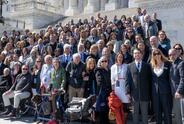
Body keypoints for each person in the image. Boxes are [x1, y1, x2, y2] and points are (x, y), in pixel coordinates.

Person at [125, 48, 152, 124]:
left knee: (145, 114)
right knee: (135, 113)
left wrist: (150, 92)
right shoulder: (129, 66)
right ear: (133, 55)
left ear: (141, 54)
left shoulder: (147, 66)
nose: (137, 55)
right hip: (134, 94)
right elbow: (127, 80)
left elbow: (150, 80)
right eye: (135, 53)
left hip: (145, 94)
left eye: (138, 53)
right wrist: (127, 92)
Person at [150, 48, 172, 124]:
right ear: (153, 56)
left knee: (167, 112)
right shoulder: (151, 65)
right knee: (157, 112)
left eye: (158, 53)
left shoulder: (167, 63)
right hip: (155, 93)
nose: (157, 55)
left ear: (161, 54)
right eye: (155, 54)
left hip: (165, 92)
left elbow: (171, 77)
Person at [111, 52, 130, 123]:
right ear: (116, 58)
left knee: (125, 104)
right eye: (119, 57)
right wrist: (112, 89)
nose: (120, 58)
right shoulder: (113, 67)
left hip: (124, 85)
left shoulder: (126, 66)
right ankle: (118, 120)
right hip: (116, 86)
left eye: (121, 57)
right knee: (117, 104)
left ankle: (124, 120)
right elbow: (112, 79)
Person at [169, 48, 184, 124]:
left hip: (180, 94)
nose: (172, 56)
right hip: (173, 93)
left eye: (173, 54)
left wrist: (179, 91)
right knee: (177, 114)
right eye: (170, 55)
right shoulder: (171, 63)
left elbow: (183, 78)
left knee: (182, 115)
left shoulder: (181, 63)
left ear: (177, 54)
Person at [95, 56, 112, 124]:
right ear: (100, 62)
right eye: (102, 61)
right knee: (102, 110)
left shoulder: (109, 70)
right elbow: (99, 82)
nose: (104, 62)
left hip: (109, 92)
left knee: (107, 109)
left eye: (106, 61)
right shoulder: (98, 70)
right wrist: (106, 88)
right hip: (102, 93)